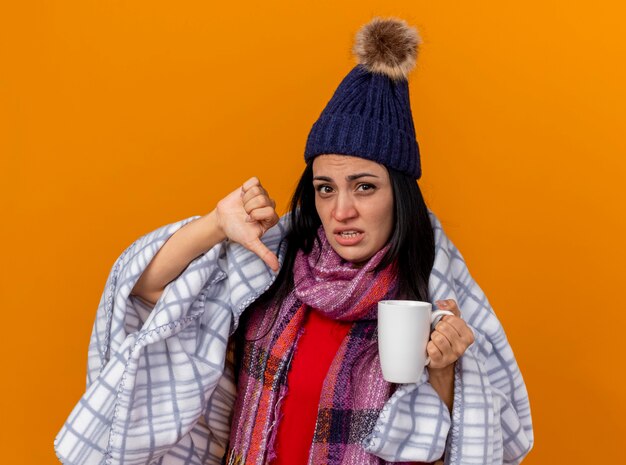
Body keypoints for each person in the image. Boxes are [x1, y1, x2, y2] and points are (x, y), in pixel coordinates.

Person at [54, 17, 533, 465]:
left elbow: (448, 448)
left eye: (364, 187)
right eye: (326, 188)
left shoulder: (426, 302)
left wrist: (445, 371)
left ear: (400, 195)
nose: (341, 210)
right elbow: (145, 291)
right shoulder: (274, 270)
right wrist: (217, 225)